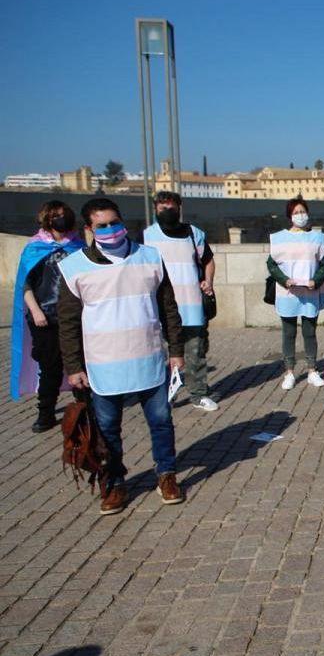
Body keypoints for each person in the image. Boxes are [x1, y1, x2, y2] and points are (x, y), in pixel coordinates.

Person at [57, 198, 186, 515]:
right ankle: (113, 484)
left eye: (114, 222)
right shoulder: (74, 268)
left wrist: (177, 351)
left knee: (161, 422)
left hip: (149, 358)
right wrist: (74, 368)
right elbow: (69, 323)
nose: (110, 229)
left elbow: (169, 307)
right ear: (88, 229)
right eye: (101, 225)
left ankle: (167, 476)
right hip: (103, 366)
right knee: (107, 430)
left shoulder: (150, 257)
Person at [10, 200, 86, 431]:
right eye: (55, 216)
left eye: (63, 215)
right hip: (44, 318)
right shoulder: (34, 248)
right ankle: (46, 413)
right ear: (46, 219)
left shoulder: (79, 247)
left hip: (75, 318)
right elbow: (24, 284)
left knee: (80, 364)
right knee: (50, 368)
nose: (60, 219)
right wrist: (35, 310)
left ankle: (85, 409)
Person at [142, 190, 218, 411]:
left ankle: (199, 394)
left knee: (196, 353)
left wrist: (209, 281)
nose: (167, 211)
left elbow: (208, 261)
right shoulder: (146, 236)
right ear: (155, 208)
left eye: (171, 207)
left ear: (179, 207)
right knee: (162, 355)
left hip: (192, 306)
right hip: (160, 308)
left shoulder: (194, 233)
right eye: (162, 207)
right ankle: (165, 396)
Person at [267, 196, 324, 390]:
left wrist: (316, 280)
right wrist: (284, 280)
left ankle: (312, 370)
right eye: (296, 212)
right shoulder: (278, 238)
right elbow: (271, 264)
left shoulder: (318, 238)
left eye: (302, 211)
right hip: (288, 292)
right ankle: (289, 372)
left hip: (310, 291)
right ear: (289, 216)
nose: (300, 215)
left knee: (310, 332)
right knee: (289, 333)